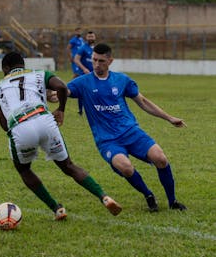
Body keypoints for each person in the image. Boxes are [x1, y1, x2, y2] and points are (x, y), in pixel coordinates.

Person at [0, 51, 122, 220]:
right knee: (68, 166)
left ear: (5, 68)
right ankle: (104, 197)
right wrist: (61, 109)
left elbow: (3, 123)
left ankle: (56, 208)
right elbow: (61, 87)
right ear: (23, 65)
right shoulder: (40, 74)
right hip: (45, 120)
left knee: (24, 169)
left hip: (20, 125)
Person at [67, 43, 187, 212]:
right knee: (125, 167)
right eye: (94, 60)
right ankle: (148, 195)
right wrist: (51, 93)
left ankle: (172, 202)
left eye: (101, 61)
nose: (96, 64)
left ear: (110, 61)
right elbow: (62, 92)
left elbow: (143, 102)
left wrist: (168, 118)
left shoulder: (122, 80)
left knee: (160, 158)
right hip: (107, 139)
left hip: (130, 131)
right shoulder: (83, 82)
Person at [73, 30, 96, 114]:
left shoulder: (96, 48)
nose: (91, 38)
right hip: (84, 74)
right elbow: (76, 59)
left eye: (92, 36)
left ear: (95, 37)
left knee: (95, 90)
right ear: (86, 38)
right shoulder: (83, 47)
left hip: (94, 73)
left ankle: (94, 108)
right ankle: (80, 110)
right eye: (89, 37)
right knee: (82, 91)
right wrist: (84, 69)